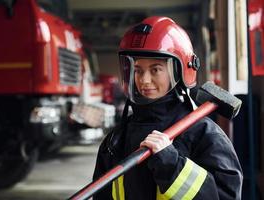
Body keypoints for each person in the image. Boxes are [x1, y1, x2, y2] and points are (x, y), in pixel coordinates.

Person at [93, 16, 243, 200]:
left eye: (155, 69)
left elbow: (225, 196)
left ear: (181, 71)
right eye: (138, 70)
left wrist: (172, 165)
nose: (144, 80)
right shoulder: (116, 139)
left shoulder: (203, 135)